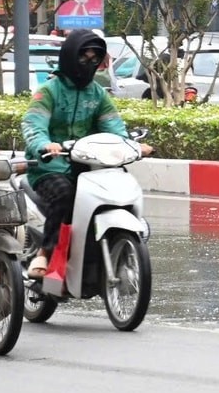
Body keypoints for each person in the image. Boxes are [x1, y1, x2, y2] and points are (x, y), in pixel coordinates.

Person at [21, 29, 146, 279]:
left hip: (91, 168)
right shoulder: (48, 91)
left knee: (120, 190)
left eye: (94, 59)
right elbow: (33, 125)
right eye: (83, 58)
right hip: (50, 167)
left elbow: (114, 127)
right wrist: (45, 145)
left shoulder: (98, 94)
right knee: (65, 194)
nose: (88, 64)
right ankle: (44, 253)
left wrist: (132, 145)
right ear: (69, 57)